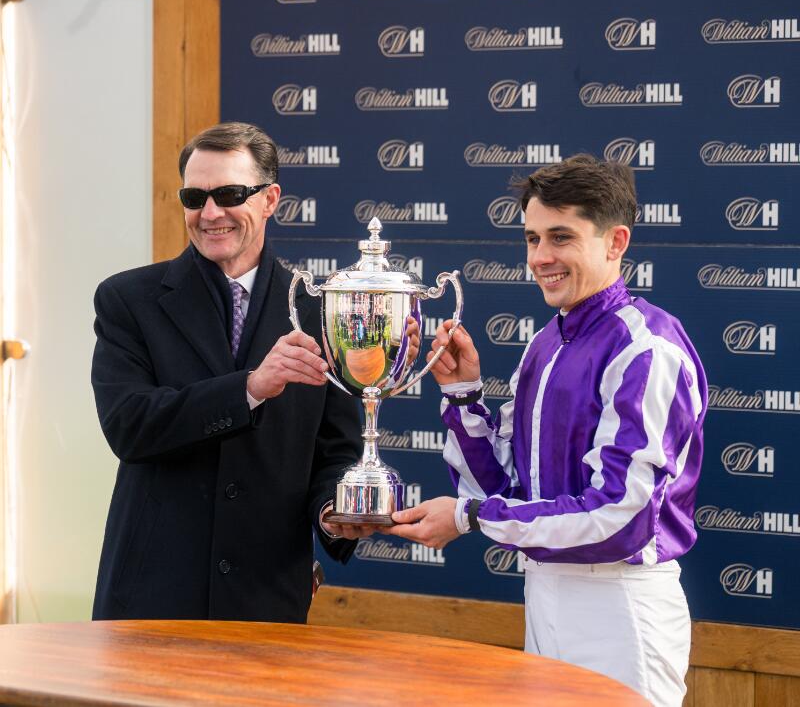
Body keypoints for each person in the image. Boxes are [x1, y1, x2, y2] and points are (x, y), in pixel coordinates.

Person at [384, 155, 707, 706]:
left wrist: (468, 517)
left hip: (622, 608)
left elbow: (619, 517)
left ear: (616, 242)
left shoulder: (647, 348)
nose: (540, 257)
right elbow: (505, 489)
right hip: (542, 593)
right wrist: (463, 396)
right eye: (532, 239)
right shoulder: (544, 345)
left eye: (561, 237)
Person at [91, 121, 374, 623]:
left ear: (270, 200)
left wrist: (332, 513)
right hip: (153, 598)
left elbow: (336, 452)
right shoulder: (128, 299)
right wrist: (249, 388)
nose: (210, 213)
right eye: (195, 197)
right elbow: (129, 426)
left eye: (229, 194)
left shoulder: (321, 312)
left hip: (267, 599)